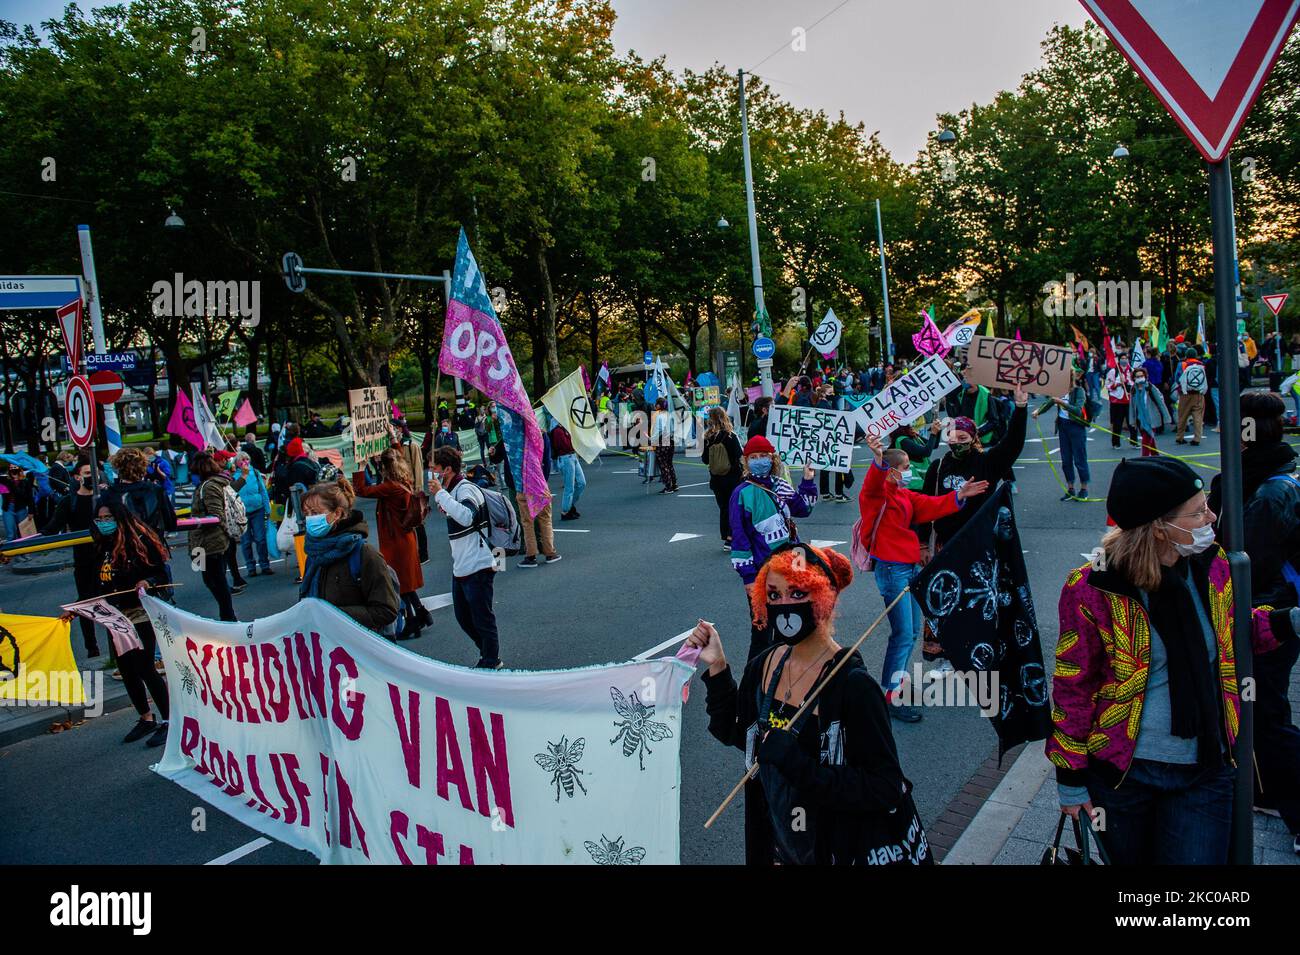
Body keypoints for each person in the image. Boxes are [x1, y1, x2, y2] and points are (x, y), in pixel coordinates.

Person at [1049, 456, 1300, 864]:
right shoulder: (1094, 587)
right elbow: (1073, 684)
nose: (1211, 516)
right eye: (1198, 510)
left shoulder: (1211, 564)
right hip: (1124, 773)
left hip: (1207, 766)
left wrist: (1289, 621)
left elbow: (1233, 633)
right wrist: (1070, 777)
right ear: (1159, 527)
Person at [687, 542, 931, 865]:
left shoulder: (853, 687)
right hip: (774, 847)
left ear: (824, 598)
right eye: (774, 595)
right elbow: (733, 731)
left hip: (832, 849)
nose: (784, 606)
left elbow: (885, 786)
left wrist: (800, 766)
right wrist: (717, 665)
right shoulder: (765, 665)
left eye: (797, 593)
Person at [1207, 392, 1300, 854]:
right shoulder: (1253, 477)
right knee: (1257, 709)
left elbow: (1245, 565)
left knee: (1266, 713)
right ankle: (1264, 790)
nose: (1220, 430)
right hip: (1270, 611)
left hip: (1269, 617)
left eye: (1228, 424)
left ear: (1246, 434)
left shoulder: (1269, 490)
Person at [860, 431, 987, 720]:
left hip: (909, 568)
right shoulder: (876, 496)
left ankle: (897, 687)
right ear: (890, 471)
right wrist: (878, 460)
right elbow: (872, 484)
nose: (909, 472)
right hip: (892, 570)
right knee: (903, 634)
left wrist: (958, 496)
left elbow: (928, 505)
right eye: (904, 468)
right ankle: (890, 694)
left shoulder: (903, 495)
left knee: (912, 632)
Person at [87, 498, 172, 747]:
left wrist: (148, 583)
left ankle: (170, 720)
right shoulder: (103, 545)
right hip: (115, 616)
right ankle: (146, 717)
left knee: (145, 667)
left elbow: (161, 573)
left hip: (140, 613)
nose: (103, 523)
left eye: (107, 518)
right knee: (126, 669)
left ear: (119, 517)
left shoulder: (140, 541)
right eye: (99, 519)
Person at [728, 436, 818, 660]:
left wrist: (807, 480)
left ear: (772, 458)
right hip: (762, 571)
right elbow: (739, 538)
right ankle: (753, 683)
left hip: (790, 564)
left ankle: (781, 676)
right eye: (754, 457)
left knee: (790, 625)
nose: (760, 461)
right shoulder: (741, 493)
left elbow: (803, 509)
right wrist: (748, 577)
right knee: (761, 629)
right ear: (746, 461)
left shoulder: (780, 485)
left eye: (764, 456)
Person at [428, 446, 503, 668]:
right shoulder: (453, 490)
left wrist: (440, 493)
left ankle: (491, 659)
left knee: (482, 617)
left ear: (447, 469)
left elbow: (467, 516)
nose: (431, 474)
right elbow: (454, 513)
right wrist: (443, 498)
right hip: (462, 564)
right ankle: (487, 652)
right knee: (464, 617)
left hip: (479, 563)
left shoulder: (466, 489)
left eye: (435, 469)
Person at [921, 385, 1027, 540]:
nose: (956, 442)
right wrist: (923, 542)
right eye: (952, 437)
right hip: (945, 543)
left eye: (962, 438)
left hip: (979, 541)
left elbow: (1013, 443)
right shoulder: (937, 467)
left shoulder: (987, 463)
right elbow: (925, 506)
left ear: (973, 438)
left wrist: (1021, 408)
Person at [298, 477, 400, 633]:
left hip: (358, 648)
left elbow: (386, 611)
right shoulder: (314, 553)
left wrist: (334, 615)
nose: (310, 519)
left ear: (337, 513)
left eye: (316, 513)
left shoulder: (365, 554)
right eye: (307, 514)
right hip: (326, 646)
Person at [352, 447, 430, 640]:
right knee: (405, 582)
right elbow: (397, 454)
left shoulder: (390, 487)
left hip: (395, 540)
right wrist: (393, 439)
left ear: (385, 467)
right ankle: (420, 613)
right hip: (405, 538)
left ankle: (412, 621)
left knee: (398, 582)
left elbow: (361, 490)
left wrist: (361, 468)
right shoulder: (403, 479)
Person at [40, 457, 100, 654]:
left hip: (108, 559)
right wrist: (22, 543)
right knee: (85, 602)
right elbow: (52, 528)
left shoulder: (104, 498)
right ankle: (92, 648)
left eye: (95, 472)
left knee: (112, 600)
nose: (93, 477)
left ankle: (118, 646)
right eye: (88, 473)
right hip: (83, 561)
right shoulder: (69, 502)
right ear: (77, 477)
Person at [188, 451, 239, 621]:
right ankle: (228, 616)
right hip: (207, 542)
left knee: (215, 580)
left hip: (210, 542)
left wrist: (197, 522)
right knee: (212, 579)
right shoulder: (211, 485)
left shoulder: (208, 487)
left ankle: (228, 617)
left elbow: (217, 516)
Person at [702, 406, 744, 550]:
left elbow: (705, 460)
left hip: (716, 479)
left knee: (724, 508)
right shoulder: (730, 436)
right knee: (735, 508)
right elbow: (739, 455)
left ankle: (726, 537)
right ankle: (734, 536)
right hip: (733, 478)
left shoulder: (708, 438)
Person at [233, 450, 273, 577]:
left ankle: (264, 565)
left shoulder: (255, 473)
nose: (245, 462)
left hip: (258, 509)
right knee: (246, 542)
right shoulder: (234, 476)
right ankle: (250, 567)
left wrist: (268, 508)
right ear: (237, 463)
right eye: (242, 460)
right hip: (242, 513)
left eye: (247, 459)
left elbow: (263, 491)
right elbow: (232, 492)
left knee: (261, 539)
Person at [888, 419, 943, 492]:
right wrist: (933, 433)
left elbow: (934, 445)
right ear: (902, 428)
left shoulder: (912, 437)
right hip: (914, 482)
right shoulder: (903, 440)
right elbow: (926, 452)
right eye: (909, 426)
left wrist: (937, 431)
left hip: (921, 478)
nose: (912, 427)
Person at [1129, 363, 1169, 458]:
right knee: (1150, 439)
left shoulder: (1150, 387)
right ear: (1134, 378)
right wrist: (1132, 421)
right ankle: (1156, 457)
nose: (1140, 378)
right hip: (1140, 419)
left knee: (1146, 440)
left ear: (1146, 376)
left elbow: (1160, 402)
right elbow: (1132, 406)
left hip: (1152, 418)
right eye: (1137, 376)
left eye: (1142, 376)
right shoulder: (1133, 390)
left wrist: (1166, 417)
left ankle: (1144, 459)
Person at [550, 420, 586, 521]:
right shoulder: (557, 430)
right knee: (569, 487)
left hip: (572, 456)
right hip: (566, 458)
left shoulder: (564, 428)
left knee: (581, 483)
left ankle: (570, 505)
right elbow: (565, 446)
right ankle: (565, 511)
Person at [1173, 348, 1207, 445]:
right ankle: (1197, 438)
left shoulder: (1182, 364)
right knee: (1198, 417)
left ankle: (1180, 437)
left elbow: (1177, 378)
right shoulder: (1201, 365)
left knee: (1182, 416)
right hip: (1198, 394)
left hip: (1185, 394)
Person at [1104, 356, 1136, 448]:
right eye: (1122, 358)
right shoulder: (1113, 371)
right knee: (1117, 423)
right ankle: (1116, 443)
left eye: (1126, 358)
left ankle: (1134, 442)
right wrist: (1117, 384)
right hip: (1117, 401)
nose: (1124, 360)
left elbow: (1135, 383)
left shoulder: (1132, 371)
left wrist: (1127, 382)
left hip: (1129, 400)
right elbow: (1108, 385)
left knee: (1132, 422)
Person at [651, 398, 678, 494]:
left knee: (663, 464)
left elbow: (659, 430)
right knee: (669, 463)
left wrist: (652, 439)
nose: (655, 405)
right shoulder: (669, 415)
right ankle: (674, 484)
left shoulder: (659, 416)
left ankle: (668, 486)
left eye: (656, 404)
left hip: (662, 440)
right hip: (670, 439)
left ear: (659, 405)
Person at [0, 465, 32, 540]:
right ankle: (11, 550)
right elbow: (5, 491)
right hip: (8, 509)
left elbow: (30, 498)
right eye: (11, 467)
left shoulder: (25, 482)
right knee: (11, 534)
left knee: (23, 534)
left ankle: (23, 550)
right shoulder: (4, 480)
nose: (13, 469)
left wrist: (31, 511)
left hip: (21, 508)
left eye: (15, 467)